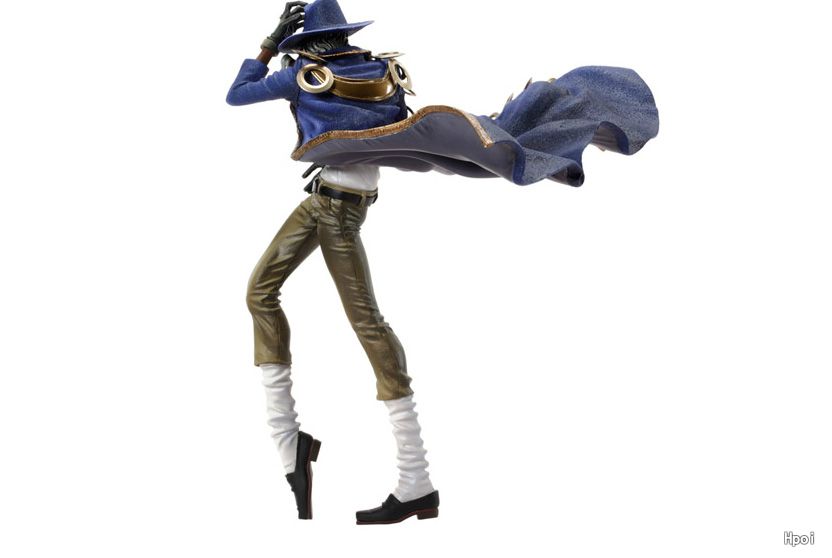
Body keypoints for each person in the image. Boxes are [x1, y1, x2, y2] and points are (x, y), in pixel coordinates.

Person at [227, 0, 439, 524]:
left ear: (305, 40)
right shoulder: (384, 72)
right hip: (328, 200)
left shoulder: (304, 75)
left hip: (338, 213)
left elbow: (236, 94)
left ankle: (417, 480)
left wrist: (267, 46)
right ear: (344, 35)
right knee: (259, 291)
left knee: (368, 322)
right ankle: (290, 443)